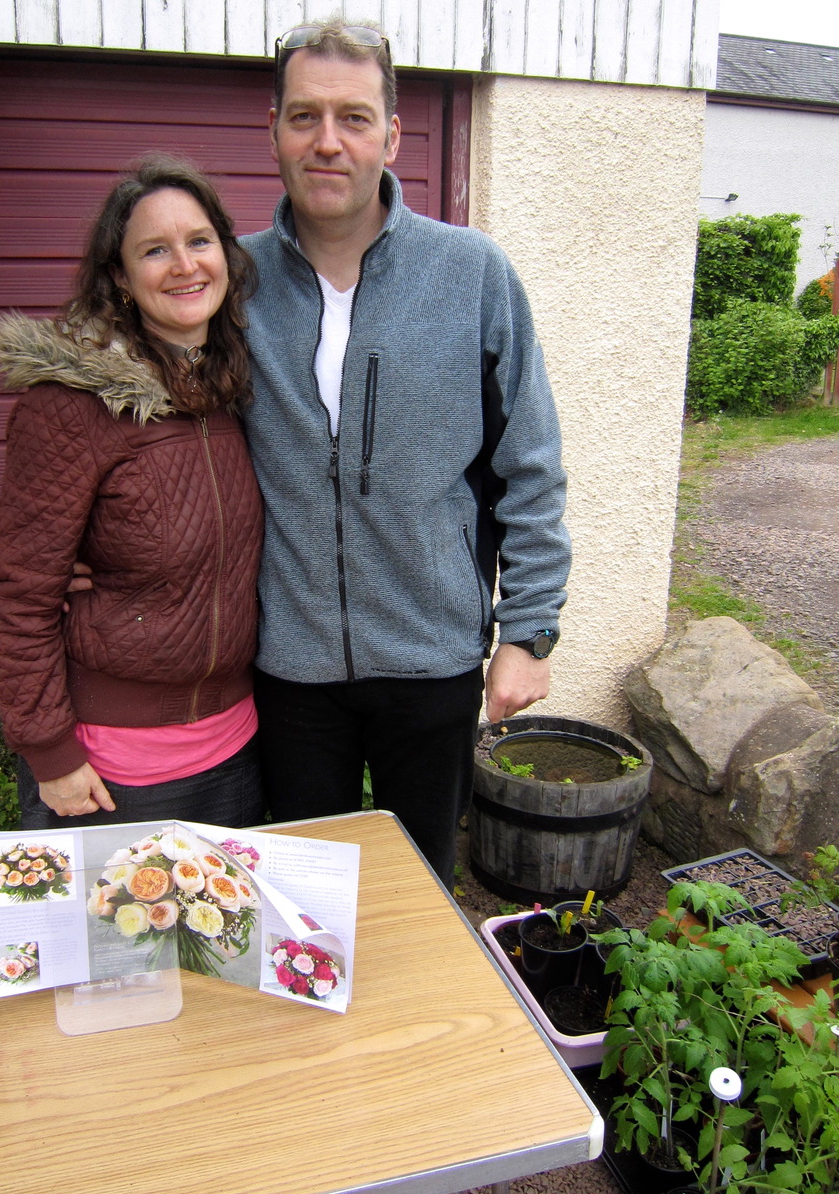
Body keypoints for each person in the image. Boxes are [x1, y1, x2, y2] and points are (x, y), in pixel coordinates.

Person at [241, 21, 571, 885]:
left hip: (432, 658)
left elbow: (527, 466)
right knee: (302, 894)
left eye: (353, 118)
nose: (327, 141)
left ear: (391, 135)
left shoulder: (471, 273)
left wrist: (527, 633)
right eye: (304, 116)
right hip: (289, 663)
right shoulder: (231, 284)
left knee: (421, 889)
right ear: (273, 127)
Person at [0, 154, 265, 830]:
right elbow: (21, 596)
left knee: (227, 936)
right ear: (119, 275)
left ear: (226, 254)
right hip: (112, 767)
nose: (184, 264)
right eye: (154, 250)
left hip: (237, 751)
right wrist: (49, 751)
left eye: (199, 241)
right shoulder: (70, 407)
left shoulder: (230, 390)